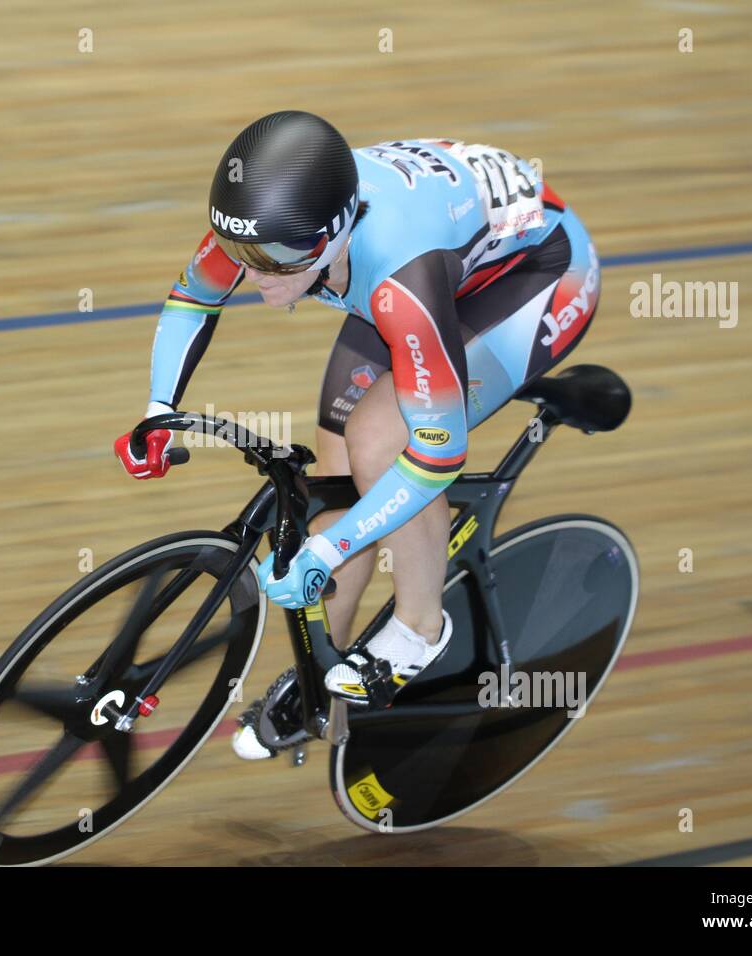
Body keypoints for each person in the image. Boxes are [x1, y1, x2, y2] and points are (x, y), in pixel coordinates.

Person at [114, 110, 599, 759]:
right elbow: (193, 299)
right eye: (242, 256)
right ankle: (321, 686)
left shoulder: (400, 279)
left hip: (538, 274)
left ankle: (421, 624)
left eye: (277, 262)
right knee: (338, 469)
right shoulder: (270, 227)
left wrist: (332, 545)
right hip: (414, 262)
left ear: (332, 234)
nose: (254, 276)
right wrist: (156, 409)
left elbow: (435, 456)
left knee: (379, 439)